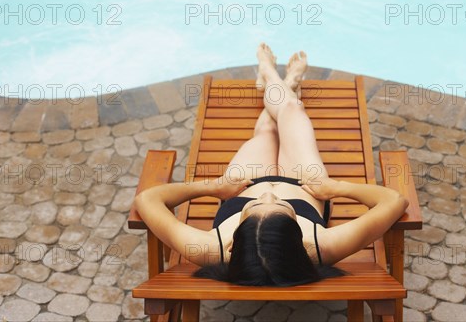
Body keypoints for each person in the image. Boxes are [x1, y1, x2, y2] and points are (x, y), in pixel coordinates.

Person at [134, 43, 409, 287]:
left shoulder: (209, 248)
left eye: (254, 207)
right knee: (292, 111)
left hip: (241, 183)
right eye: (280, 206)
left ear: (232, 245)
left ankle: (271, 75)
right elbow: (394, 201)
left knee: (267, 130)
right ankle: (280, 82)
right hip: (306, 184)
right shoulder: (321, 246)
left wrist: (215, 187)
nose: (269, 194)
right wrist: (334, 187)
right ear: (299, 240)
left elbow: (148, 199)